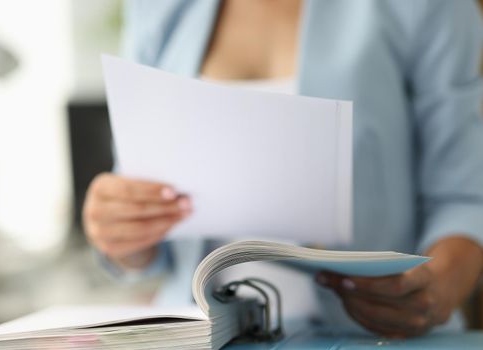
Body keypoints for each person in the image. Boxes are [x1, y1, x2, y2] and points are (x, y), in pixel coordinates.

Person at [83, 0, 483, 338]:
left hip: (378, 338)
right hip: (201, 336)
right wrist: (124, 232)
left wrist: (438, 287)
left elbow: (467, 196)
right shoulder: (157, 9)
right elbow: (148, 225)